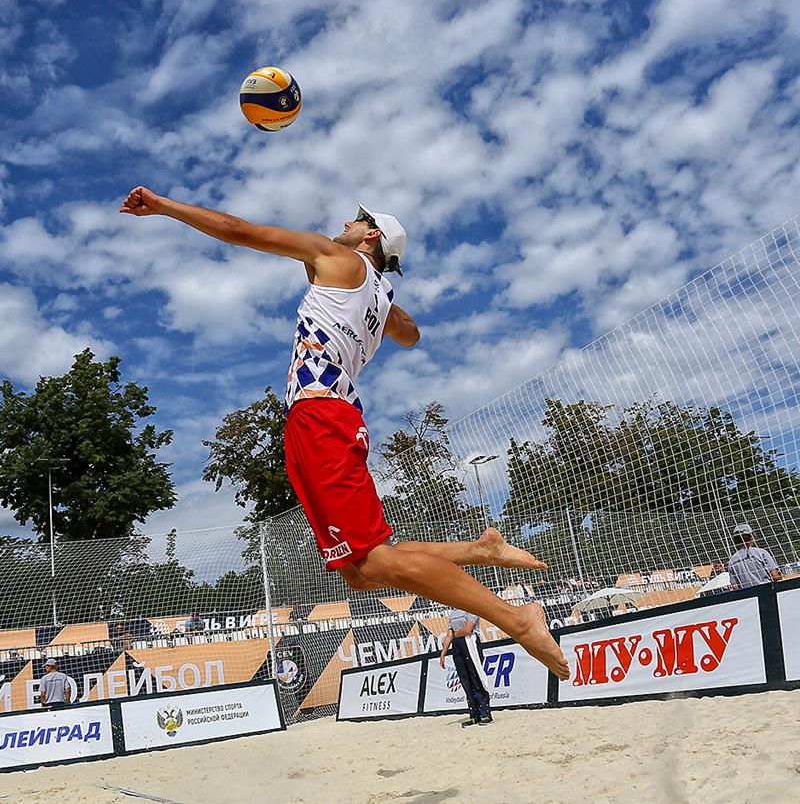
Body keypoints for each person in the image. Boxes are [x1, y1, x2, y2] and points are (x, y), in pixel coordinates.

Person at [121, 186, 568, 680]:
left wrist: (164, 206)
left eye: (356, 220)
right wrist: (379, 293)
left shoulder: (335, 257)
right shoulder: (379, 296)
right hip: (327, 416)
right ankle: (479, 551)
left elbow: (239, 231)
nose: (346, 224)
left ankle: (517, 620)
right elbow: (411, 334)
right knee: (359, 574)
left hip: (321, 415)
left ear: (371, 235)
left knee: (373, 563)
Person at [439, 610, 492, 727]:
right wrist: (443, 653)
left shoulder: (471, 609)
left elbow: (467, 630)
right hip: (457, 646)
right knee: (465, 681)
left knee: (476, 678)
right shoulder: (453, 613)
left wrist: (455, 634)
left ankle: (486, 713)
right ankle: (474, 715)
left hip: (470, 642)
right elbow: (449, 634)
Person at [727, 523, 782, 589]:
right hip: (767, 589)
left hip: (748, 593)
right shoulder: (761, 553)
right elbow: (775, 576)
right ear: (751, 537)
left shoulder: (732, 561)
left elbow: (735, 586)